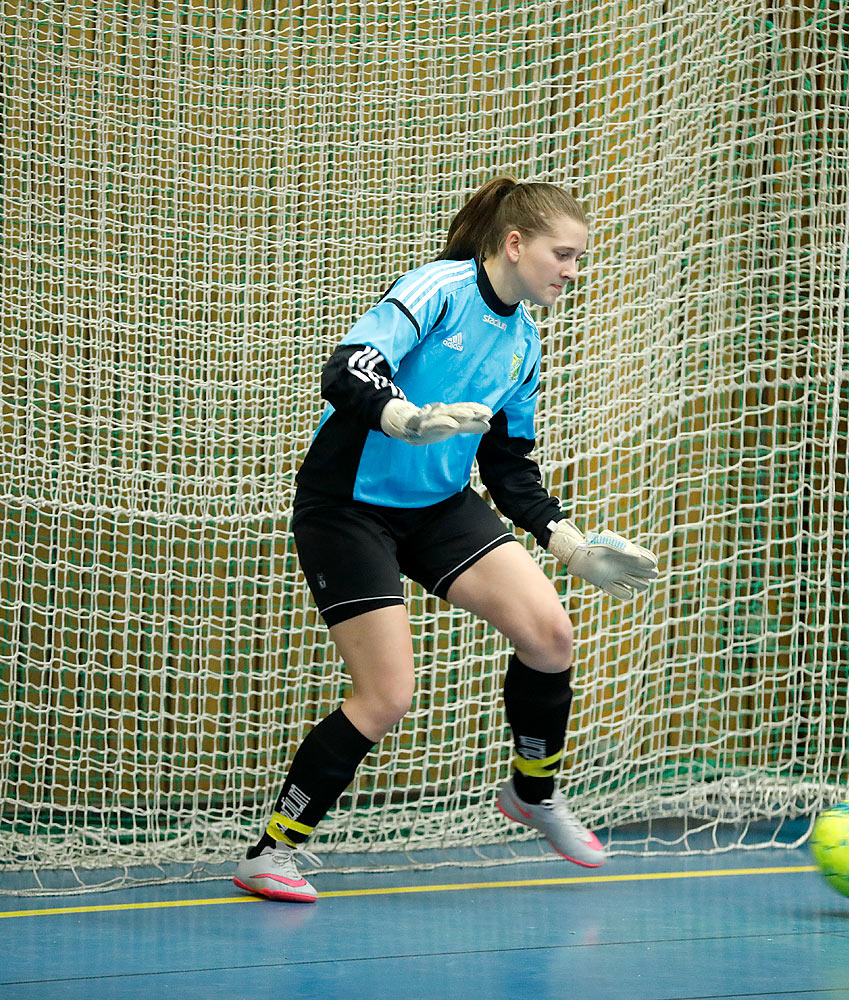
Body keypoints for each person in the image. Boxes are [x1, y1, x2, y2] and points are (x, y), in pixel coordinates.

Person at [234, 177, 659, 903]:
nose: (572, 271)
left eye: (580, 258)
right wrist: (402, 418)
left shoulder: (524, 343)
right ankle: (271, 852)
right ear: (515, 243)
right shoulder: (438, 289)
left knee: (551, 635)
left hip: (438, 508)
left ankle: (532, 793)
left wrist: (571, 545)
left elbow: (507, 465)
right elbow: (350, 369)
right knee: (387, 695)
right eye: (564, 254)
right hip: (349, 507)